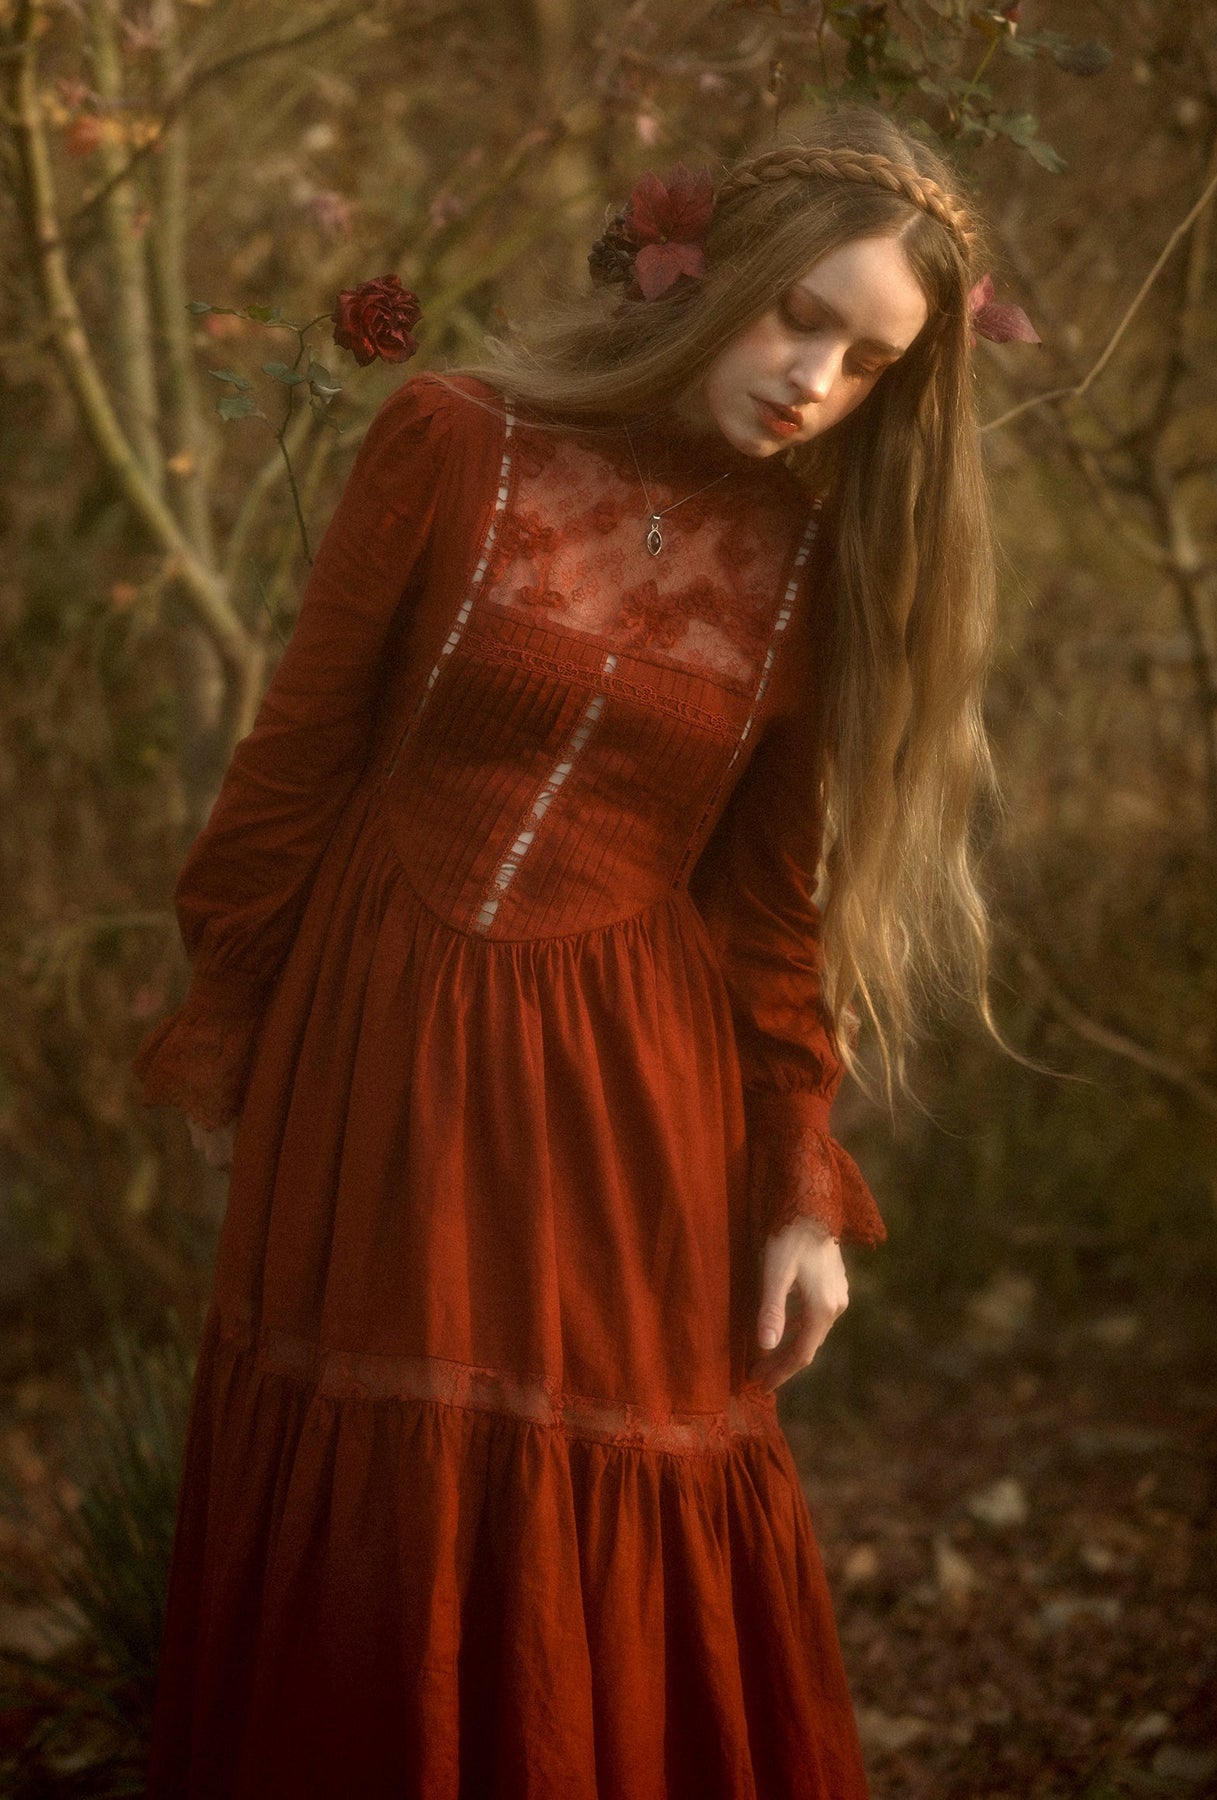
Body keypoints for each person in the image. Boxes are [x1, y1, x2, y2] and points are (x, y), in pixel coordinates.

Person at [132, 102, 1002, 1799]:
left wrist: (797, 1186)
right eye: (799, 317)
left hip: (628, 1109)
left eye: (868, 363)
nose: (815, 379)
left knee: (610, 1513)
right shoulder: (453, 441)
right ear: (709, 273)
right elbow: (294, 763)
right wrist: (233, 1019)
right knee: (378, 1510)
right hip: (376, 1050)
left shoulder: (806, 567)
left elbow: (765, 914)